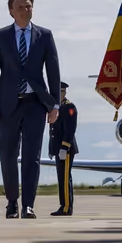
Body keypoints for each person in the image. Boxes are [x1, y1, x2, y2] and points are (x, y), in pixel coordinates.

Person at [0, 0, 61, 219]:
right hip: (7, 104)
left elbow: (54, 71)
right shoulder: (0, 36)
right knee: (7, 155)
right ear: (11, 11)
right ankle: (12, 201)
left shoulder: (44, 35)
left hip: (35, 104)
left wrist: (55, 105)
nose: (25, 9)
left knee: (32, 156)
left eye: (28, 6)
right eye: (20, 6)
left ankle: (28, 204)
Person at [47, 81, 77, 216]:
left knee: (65, 179)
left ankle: (66, 207)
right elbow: (53, 131)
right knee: (61, 178)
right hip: (58, 148)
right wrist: (51, 148)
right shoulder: (55, 108)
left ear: (64, 93)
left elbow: (70, 130)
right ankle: (64, 205)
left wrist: (64, 147)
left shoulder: (68, 107)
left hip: (66, 149)